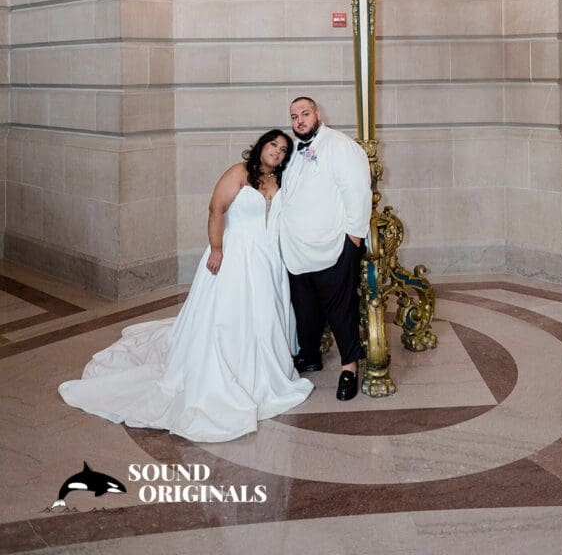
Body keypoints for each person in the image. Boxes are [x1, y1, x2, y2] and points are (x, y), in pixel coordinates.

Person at [58, 130, 313, 442]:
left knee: (264, 314)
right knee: (226, 316)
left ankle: (264, 370)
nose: (277, 151)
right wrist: (217, 249)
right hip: (234, 254)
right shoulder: (239, 173)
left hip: (268, 259)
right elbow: (215, 210)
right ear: (262, 146)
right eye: (273, 144)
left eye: (283, 149)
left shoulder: (280, 181)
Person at [280, 97, 371, 401]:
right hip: (297, 248)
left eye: (305, 114)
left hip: (334, 243)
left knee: (340, 309)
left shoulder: (340, 146)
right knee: (305, 307)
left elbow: (357, 191)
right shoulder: (291, 151)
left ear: (318, 114)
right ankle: (309, 355)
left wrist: (353, 240)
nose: (300, 121)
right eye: (294, 117)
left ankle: (349, 368)